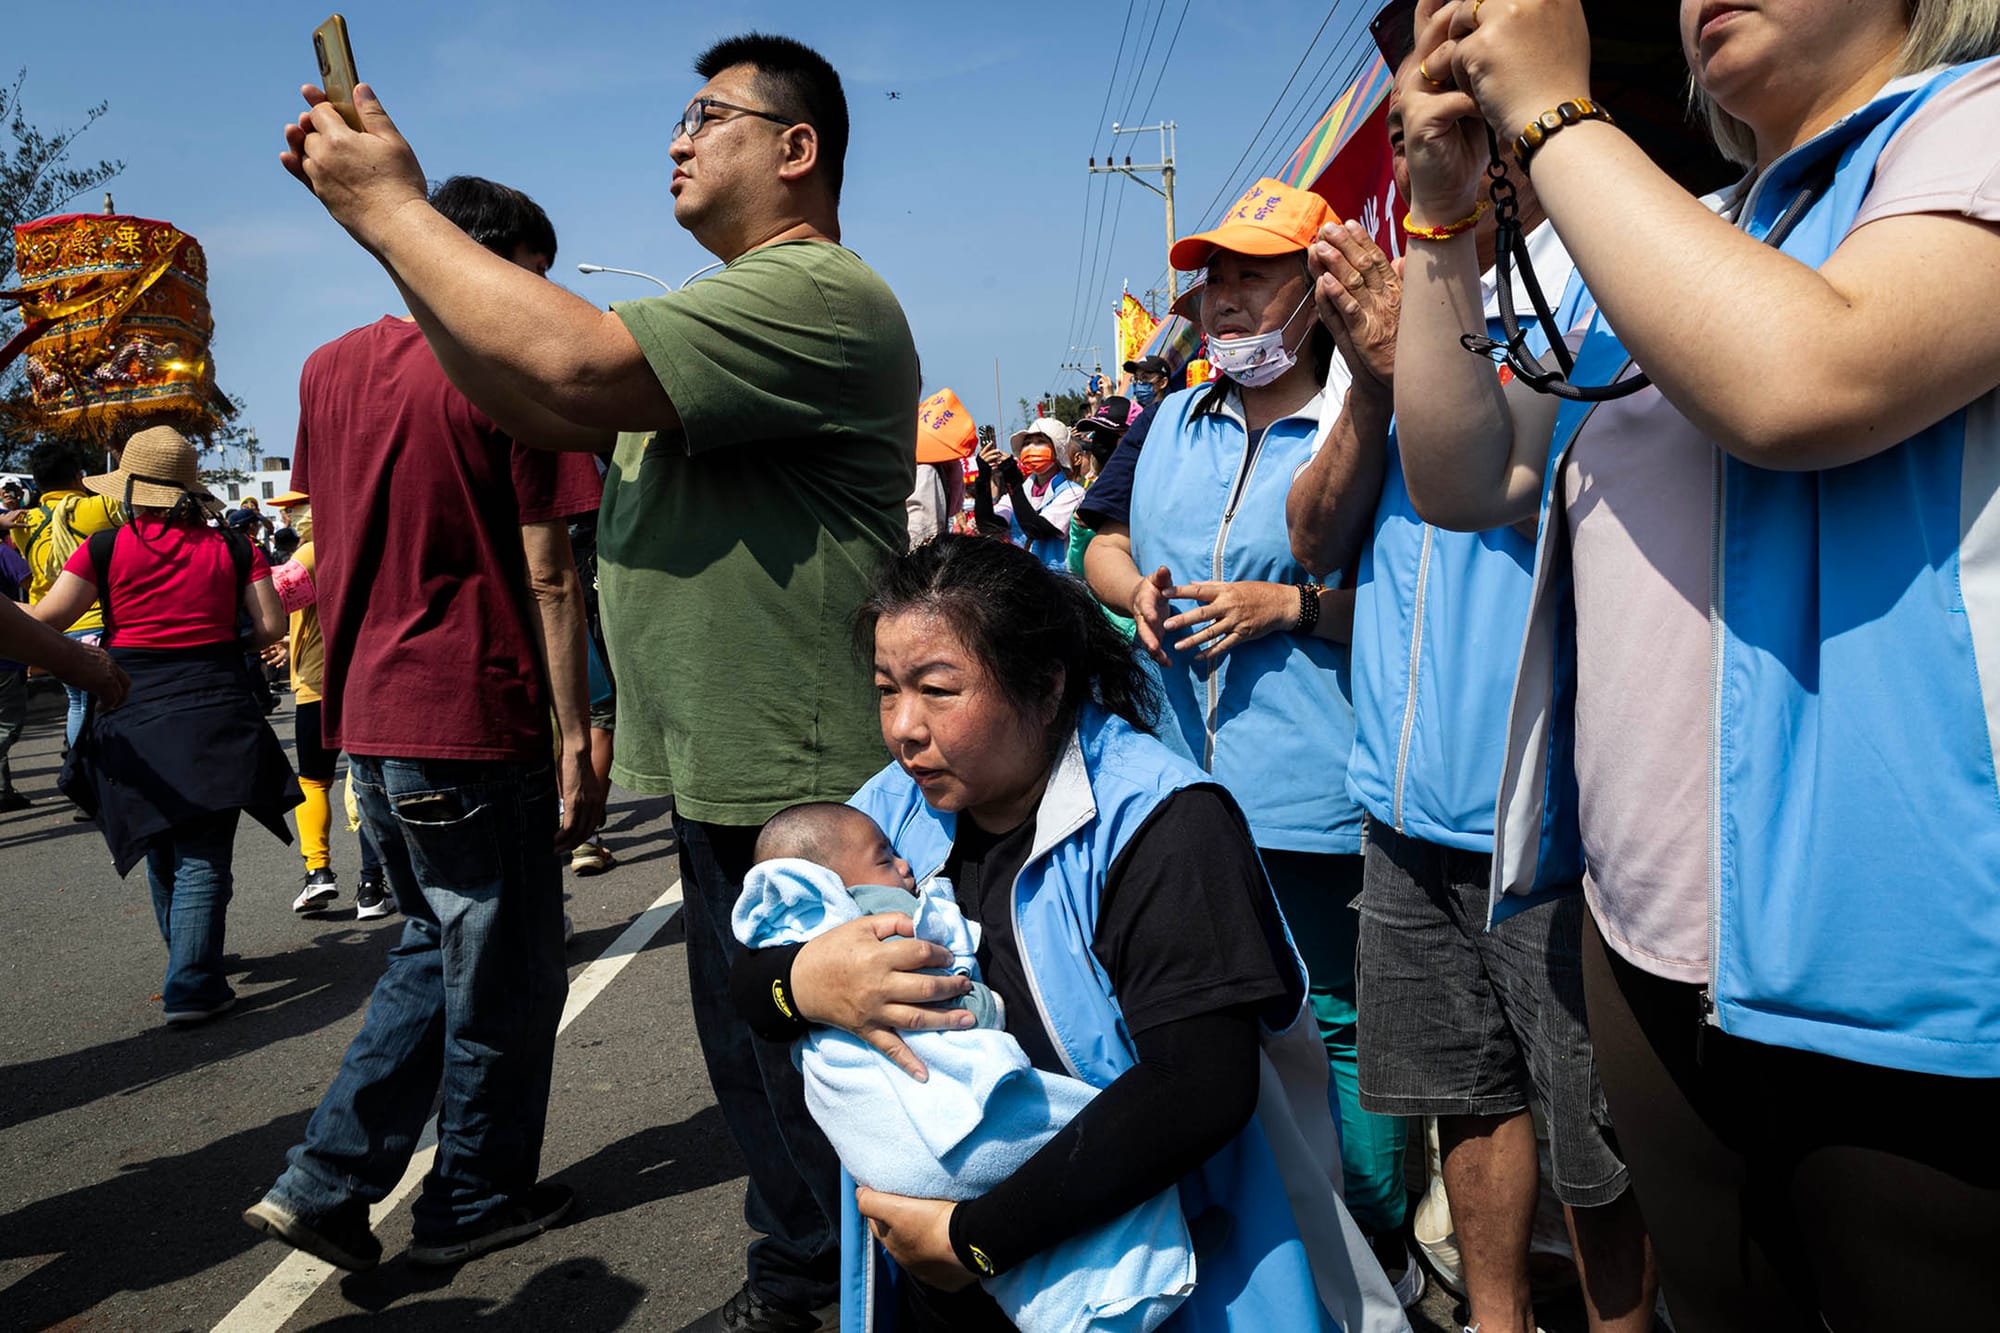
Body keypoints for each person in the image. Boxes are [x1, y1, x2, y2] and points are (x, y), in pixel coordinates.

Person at [276, 32, 918, 1329]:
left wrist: (395, 212)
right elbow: (538, 403)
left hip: (802, 781)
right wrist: (391, 238)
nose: (676, 138)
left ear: (797, 149)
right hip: (729, 773)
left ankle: (854, 1299)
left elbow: (572, 364)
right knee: (761, 1069)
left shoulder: (813, 292)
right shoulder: (725, 312)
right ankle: (801, 1284)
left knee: (832, 1086)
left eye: (709, 115)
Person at [1392, 0, 2000, 1326]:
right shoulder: (1678, 225)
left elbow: (1809, 374)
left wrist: (1551, 115)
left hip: (1913, 978)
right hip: (1648, 951)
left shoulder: (1974, 121)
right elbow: (1463, 475)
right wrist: (1440, 214)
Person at [734, 534, 1403, 1332]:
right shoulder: (886, 811)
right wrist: (805, 982)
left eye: (938, 689)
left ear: (1047, 686)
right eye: (886, 689)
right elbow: (753, 973)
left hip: (1165, 1274)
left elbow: (1198, 1088)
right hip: (943, 1281)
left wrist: (972, 1240)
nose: (904, 727)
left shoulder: (1164, 824)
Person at [1287, 9, 1658, 1330]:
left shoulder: (1604, 277)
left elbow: (1545, 500)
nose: (1421, 144)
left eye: (1447, 112)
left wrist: (1419, 362)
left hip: (1549, 823)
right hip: (1401, 810)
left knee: (1598, 1144)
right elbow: (1313, 534)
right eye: (1405, 128)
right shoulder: (1401, 305)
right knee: (1467, 1099)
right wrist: (1373, 385)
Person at [244, 176, 602, 1274]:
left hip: (368, 709)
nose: (537, 302)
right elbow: (550, 573)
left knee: (435, 940)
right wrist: (577, 731)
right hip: (472, 706)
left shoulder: (328, 365)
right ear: (490, 266)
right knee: (505, 970)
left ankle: (330, 1182)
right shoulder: (511, 366)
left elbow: (334, 525)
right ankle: (464, 1194)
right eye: (531, 278)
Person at [1081, 177, 1418, 1297]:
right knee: (1197, 1027)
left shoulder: (1375, 418)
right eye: (1213, 277)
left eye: (1252, 276)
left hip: (1311, 793)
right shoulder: (1166, 420)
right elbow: (1100, 540)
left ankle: (1374, 1255)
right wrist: (1130, 588)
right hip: (1171, 791)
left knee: (1336, 1023)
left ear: (1320, 292)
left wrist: (1294, 608)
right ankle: (1260, 1259)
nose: (1221, 298)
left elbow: (1421, 597)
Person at [31, 427, 296, 1025]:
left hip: (131, 706)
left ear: (129, 489)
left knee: (161, 840)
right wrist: (221, 640)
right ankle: (193, 983)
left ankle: (188, 964)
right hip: (215, 703)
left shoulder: (103, 547)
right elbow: (271, 628)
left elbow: (49, 619)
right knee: (204, 850)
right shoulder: (235, 548)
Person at [264, 492, 392, 919]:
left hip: (319, 686)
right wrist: (291, 639)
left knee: (315, 781)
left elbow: (271, 596)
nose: (288, 516)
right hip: (362, 679)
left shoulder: (313, 550)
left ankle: (318, 872)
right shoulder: (361, 542)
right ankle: (372, 885)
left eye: (293, 508)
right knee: (367, 783)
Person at [18, 442, 123, 749]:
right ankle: (96, 766)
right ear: (79, 477)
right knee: (108, 703)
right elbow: (130, 489)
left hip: (52, 629)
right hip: (98, 624)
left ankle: (79, 764)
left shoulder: (21, 523)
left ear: (38, 482)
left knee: (77, 704)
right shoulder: (98, 508)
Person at [971, 419, 1082, 570]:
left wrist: (1013, 483)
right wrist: (984, 477)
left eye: (1040, 441)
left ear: (1058, 450)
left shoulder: (1072, 493)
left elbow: (1036, 529)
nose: (1031, 448)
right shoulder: (1022, 490)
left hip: (1055, 579)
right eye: (1027, 442)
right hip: (1020, 576)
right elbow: (988, 525)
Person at [0, 538, 37, 810]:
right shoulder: (2, 553)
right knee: (7, 725)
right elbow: (32, 583)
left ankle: (4, 791)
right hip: (6, 655)